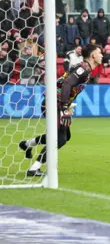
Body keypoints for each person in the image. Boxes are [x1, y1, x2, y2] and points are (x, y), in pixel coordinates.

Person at [19, 44, 103, 177]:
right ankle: (34, 168)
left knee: (65, 136)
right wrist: (64, 107)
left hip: (57, 102)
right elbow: (66, 83)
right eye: (99, 53)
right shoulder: (83, 69)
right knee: (60, 139)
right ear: (93, 55)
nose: (102, 55)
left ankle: (27, 144)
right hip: (54, 103)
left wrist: (67, 104)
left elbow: (67, 85)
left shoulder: (85, 68)